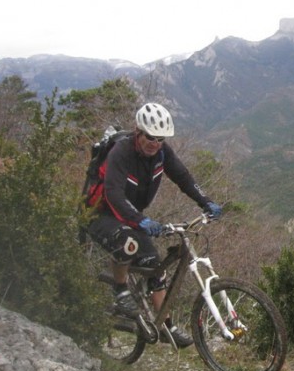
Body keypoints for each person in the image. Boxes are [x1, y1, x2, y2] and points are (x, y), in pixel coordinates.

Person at [87, 102, 223, 348]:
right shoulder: (121, 152)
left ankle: (165, 327)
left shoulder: (162, 152)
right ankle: (120, 291)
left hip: (130, 216)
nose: (155, 143)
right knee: (128, 243)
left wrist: (206, 202)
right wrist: (142, 221)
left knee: (155, 267)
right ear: (138, 131)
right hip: (100, 214)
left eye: (161, 138)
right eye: (150, 137)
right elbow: (113, 194)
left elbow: (183, 178)